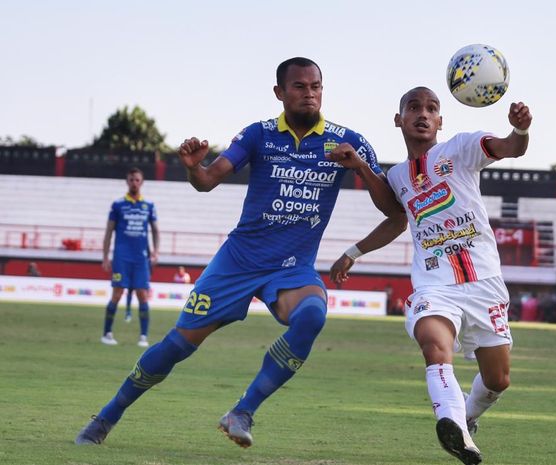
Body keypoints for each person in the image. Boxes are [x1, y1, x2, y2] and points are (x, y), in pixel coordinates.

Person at [75, 57, 402, 447]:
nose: (309, 93)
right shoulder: (258, 135)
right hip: (238, 262)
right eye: (299, 86)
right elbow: (208, 180)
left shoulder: (347, 141)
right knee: (176, 347)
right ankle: (106, 418)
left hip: (291, 268)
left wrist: (361, 167)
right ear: (280, 93)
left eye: (316, 85)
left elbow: (392, 209)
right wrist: (195, 168)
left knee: (312, 315)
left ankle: (243, 411)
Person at [329, 87, 532, 465]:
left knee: (498, 379)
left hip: (484, 284)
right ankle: (451, 425)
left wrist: (519, 131)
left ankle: (466, 418)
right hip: (435, 284)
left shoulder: (460, 149)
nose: (423, 114)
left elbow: (510, 148)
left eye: (432, 108)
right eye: (414, 107)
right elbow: (396, 215)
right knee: (434, 346)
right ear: (399, 119)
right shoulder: (397, 176)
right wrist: (353, 250)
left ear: (441, 121)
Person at [99, 167, 159, 347]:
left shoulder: (148, 206)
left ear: (142, 182)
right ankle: (107, 334)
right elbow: (109, 231)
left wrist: (155, 251)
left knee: (142, 295)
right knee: (117, 294)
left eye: (137, 180)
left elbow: (155, 230)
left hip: (141, 258)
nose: (134, 183)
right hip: (121, 258)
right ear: (127, 182)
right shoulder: (117, 205)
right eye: (131, 179)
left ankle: (143, 337)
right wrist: (105, 256)